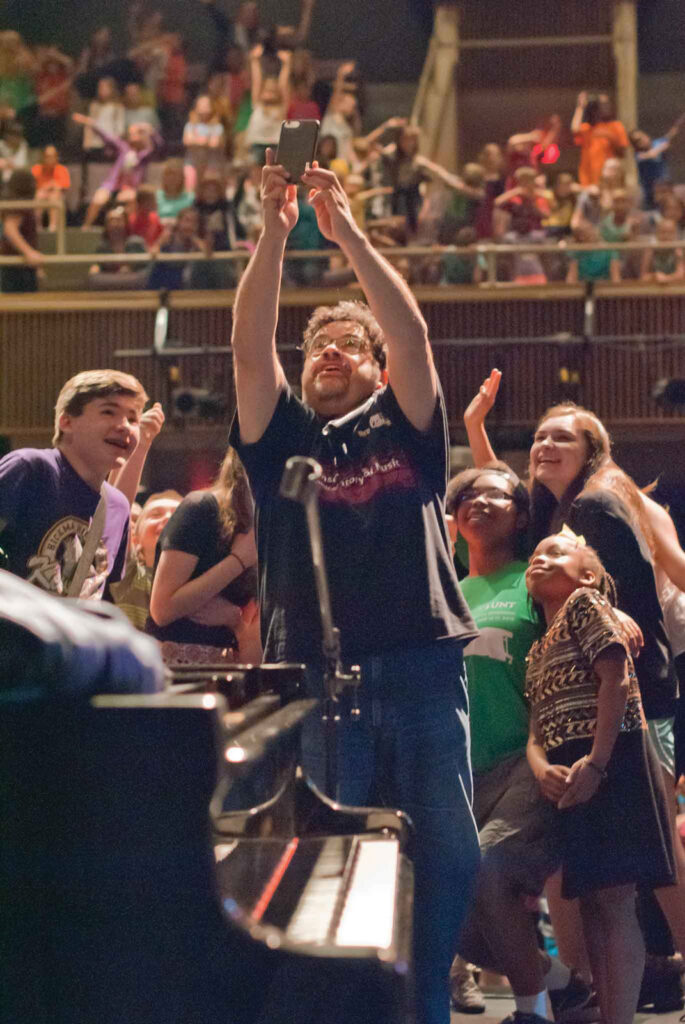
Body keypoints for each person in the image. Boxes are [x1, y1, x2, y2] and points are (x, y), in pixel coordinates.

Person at [228, 149, 480, 1024]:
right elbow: (249, 347)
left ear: (374, 366)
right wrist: (274, 233)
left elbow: (410, 335)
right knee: (333, 857)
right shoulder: (279, 435)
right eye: (317, 346)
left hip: (417, 665)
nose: (328, 352)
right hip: (317, 680)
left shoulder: (406, 428)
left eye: (346, 343)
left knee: (447, 848)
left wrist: (348, 235)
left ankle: (424, 1000)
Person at [464, 370, 685, 982]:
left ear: (592, 452)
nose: (545, 446)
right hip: (583, 709)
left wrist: (606, 602)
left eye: (563, 437)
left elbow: (626, 590)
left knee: (657, 853)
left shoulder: (596, 504)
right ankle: (583, 984)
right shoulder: (558, 514)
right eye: (539, 437)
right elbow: (508, 506)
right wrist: (475, 431)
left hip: (636, 699)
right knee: (605, 866)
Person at [446, 464, 604, 1024]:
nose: (478, 501)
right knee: (454, 906)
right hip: (460, 768)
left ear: (519, 515)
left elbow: (589, 609)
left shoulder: (533, 580)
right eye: (467, 494)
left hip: (527, 760)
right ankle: (564, 985)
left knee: (488, 869)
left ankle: (533, 1012)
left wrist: (618, 616)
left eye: (495, 494)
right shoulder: (447, 590)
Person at [525, 531, 675, 1024]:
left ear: (588, 574)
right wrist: (543, 768)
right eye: (535, 555)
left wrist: (597, 763)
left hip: (612, 760)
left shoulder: (585, 605)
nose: (541, 559)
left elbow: (617, 678)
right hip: (571, 769)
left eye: (555, 552)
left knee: (613, 899)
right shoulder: (537, 649)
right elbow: (535, 731)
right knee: (591, 901)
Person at [0, 370, 146, 599]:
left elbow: (105, 593)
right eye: (109, 412)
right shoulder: (31, 469)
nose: (125, 426)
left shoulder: (118, 506)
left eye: (133, 418)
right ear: (66, 421)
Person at [147, 448, 260, 665]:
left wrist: (235, 621)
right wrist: (238, 561)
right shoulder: (202, 507)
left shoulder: (262, 525)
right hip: (175, 668)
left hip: (227, 668)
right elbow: (162, 609)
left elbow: (253, 646)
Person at [72, 113, 161, 227]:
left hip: (131, 188)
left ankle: (130, 229)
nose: (133, 135)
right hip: (112, 185)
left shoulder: (144, 154)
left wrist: (151, 131)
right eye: (131, 133)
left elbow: (158, 147)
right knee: (98, 199)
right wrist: (90, 123)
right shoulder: (123, 148)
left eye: (137, 133)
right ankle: (86, 227)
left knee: (131, 199)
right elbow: (106, 137)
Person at [110, 489, 182, 630]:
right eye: (155, 514)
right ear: (135, 539)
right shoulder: (130, 573)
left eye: (178, 516)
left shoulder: (197, 581)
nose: (168, 518)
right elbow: (117, 508)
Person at [571, 92, 628, 188]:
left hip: (609, 180)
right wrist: (580, 107)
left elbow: (622, 154)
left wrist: (611, 137)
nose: (603, 107)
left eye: (605, 104)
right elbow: (574, 129)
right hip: (588, 180)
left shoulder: (616, 126)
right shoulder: (587, 128)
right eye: (600, 105)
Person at [0, 168, 43, 293]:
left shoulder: (20, 204)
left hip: (20, 265)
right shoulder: (18, 204)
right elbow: (10, 229)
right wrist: (29, 253)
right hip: (16, 265)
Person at [630, 115, 685, 210]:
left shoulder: (657, 142)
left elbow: (673, 133)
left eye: (642, 136)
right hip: (650, 197)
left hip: (666, 189)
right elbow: (652, 154)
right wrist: (663, 146)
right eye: (638, 141)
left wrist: (681, 121)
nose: (643, 140)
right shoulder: (639, 155)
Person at [31, 145, 70, 232]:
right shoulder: (36, 169)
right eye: (47, 156)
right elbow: (32, 186)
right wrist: (46, 188)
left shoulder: (61, 169)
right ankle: (37, 227)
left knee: (54, 196)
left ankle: (53, 227)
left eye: (53, 156)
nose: (50, 159)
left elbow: (63, 186)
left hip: (56, 197)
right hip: (40, 196)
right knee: (39, 195)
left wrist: (51, 186)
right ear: (43, 157)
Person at [641, 218, 685, 283]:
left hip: (674, 288)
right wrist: (655, 276)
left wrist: (666, 278)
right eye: (662, 232)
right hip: (654, 287)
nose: (666, 236)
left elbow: (681, 275)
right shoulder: (650, 251)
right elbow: (643, 277)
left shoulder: (678, 250)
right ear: (656, 234)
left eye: (670, 233)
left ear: (675, 234)